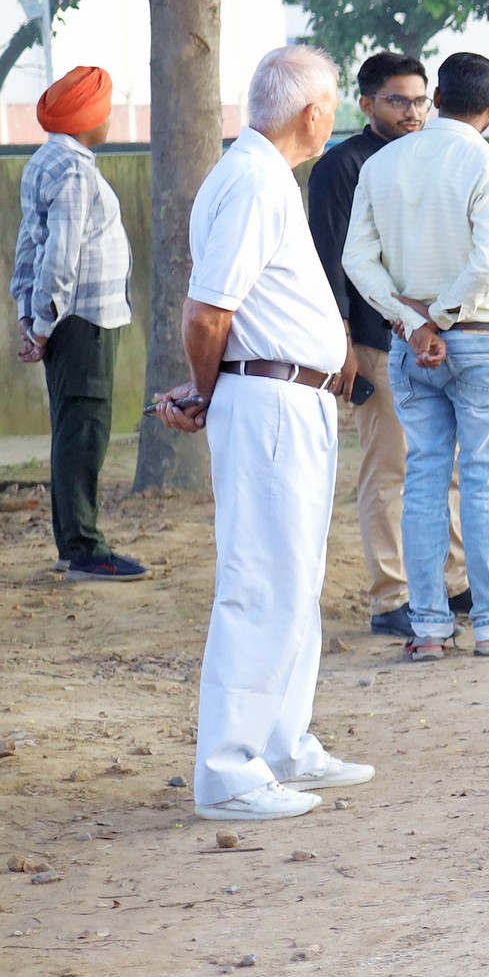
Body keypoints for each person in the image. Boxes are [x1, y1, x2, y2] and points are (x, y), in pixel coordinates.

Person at [154, 46, 373, 821]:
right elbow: (206, 312)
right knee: (261, 582)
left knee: (295, 579)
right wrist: (209, 391)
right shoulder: (252, 179)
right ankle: (229, 772)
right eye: (333, 106)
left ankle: (282, 744)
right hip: (268, 400)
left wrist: (210, 388)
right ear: (312, 113)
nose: (335, 118)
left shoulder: (263, 175)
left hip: (287, 398)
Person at [340, 51, 489, 658]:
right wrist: (442, 319)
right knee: (483, 483)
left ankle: (429, 629)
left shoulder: (383, 163)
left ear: (436, 98)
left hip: (410, 349)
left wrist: (413, 323)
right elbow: (486, 263)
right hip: (481, 339)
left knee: (425, 482)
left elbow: (357, 261)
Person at [307, 52, 463, 633]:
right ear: (367, 103)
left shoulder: (430, 157)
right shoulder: (340, 167)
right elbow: (329, 263)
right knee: (389, 470)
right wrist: (344, 344)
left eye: (421, 100)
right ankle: (391, 597)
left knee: (446, 466)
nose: (412, 111)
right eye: (398, 100)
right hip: (375, 342)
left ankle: (456, 584)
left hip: (437, 338)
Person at [8, 64, 142, 580]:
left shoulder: (47, 160)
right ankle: (85, 549)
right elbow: (60, 257)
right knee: (84, 431)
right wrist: (41, 325)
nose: (109, 120)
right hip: (83, 319)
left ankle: (73, 546)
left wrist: (30, 315)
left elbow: (29, 246)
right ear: (88, 118)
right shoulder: (74, 171)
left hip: (65, 320)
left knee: (71, 429)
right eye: (105, 111)